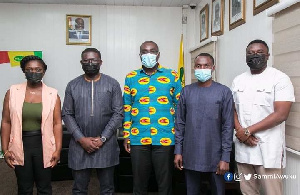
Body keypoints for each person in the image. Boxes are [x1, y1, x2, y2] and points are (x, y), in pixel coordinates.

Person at [232, 39, 295, 195]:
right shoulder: (238, 80)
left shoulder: (280, 79)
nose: (255, 56)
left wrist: (247, 131)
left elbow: (281, 114)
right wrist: (241, 131)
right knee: (247, 192)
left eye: (259, 52)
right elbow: (231, 109)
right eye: (250, 53)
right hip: (243, 148)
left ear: (268, 55)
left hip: (268, 149)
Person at [123, 41, 182, 195]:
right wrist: (126, 135)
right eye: (144, 51)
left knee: (165, 184)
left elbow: (180, 108)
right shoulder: (131, 77)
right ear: (140, 55)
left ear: (158, 54)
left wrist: (180, 138)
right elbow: (127, 108)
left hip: (165, 137)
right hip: (138, 137)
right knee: (139, 184)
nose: (148, 54)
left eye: (152, 51)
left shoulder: (172, 76)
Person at [62, 48, 124, 195]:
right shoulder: (73, 85)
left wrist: (102, 138)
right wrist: (81, 139)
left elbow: (118, 113)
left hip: (106, 144)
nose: (90, 63)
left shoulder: (112, 84)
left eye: (94, 60)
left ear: (101, 62)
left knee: (108, 189)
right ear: (81, 63)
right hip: (79, 145)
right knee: (79, 189)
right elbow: (67, 114)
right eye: (86, 60)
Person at [1, 55, 62, 194]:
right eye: (29, 69)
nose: (33, 72)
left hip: (44, 144)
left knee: (44, 187)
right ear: (24, 71)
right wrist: (5, 150)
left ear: (44, 72)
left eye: (38, 69)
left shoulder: (53, 94)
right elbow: (6, 122)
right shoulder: (12, 92)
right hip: (20, 143)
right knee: (24, 187)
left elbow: (57, 124)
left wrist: (57, 150)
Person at [174, 53, 234, 195]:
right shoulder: (186, 91)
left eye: (206, 65)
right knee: (191, 191)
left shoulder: (224, 92)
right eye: (198, 66)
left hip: (216, 154)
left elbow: (228, 126)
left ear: (213, 68)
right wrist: (178, 151)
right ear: (194, 68)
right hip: (190, 153)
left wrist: (225, 157)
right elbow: (180, 123)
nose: (202, 69)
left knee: (218, 191)